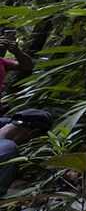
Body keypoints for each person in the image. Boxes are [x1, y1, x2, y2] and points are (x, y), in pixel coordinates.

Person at [0, 34, 45, 195]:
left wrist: (17, 51)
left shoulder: (3, 62)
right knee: (10, 147)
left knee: (35, 121)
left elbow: (27, 66)